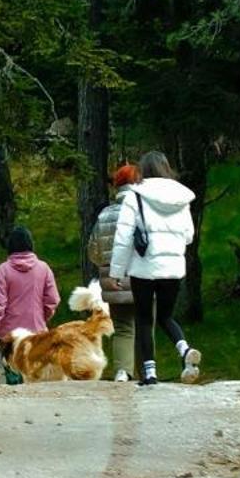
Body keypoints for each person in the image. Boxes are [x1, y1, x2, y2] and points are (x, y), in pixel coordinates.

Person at [108, 150, 204, 387]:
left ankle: (150, 374)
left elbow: (123, 237)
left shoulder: (135, 196)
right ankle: (184, 350)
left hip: (144, 268)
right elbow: (189, 236)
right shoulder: (181, 199)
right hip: (173, 268)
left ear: (144, 170)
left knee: (143, 319)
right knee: (165, 316)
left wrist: (116, 273)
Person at [85, 163, 141, 381]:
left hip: (114, 279)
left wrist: (105, 264)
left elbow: (93, 250)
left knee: (123, 326)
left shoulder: (105, 214)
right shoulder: (144, 211)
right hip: (142, 274)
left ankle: (122, 371)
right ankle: (147, 369)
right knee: (145, 323)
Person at [0, 225, 60, 348]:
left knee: (12, 367)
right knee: (35, 367)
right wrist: (42, 318)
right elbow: (53, 300)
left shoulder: (3, 270)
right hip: (38, 334)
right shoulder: (44, 268)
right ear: (30, 244)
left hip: (9, 336)